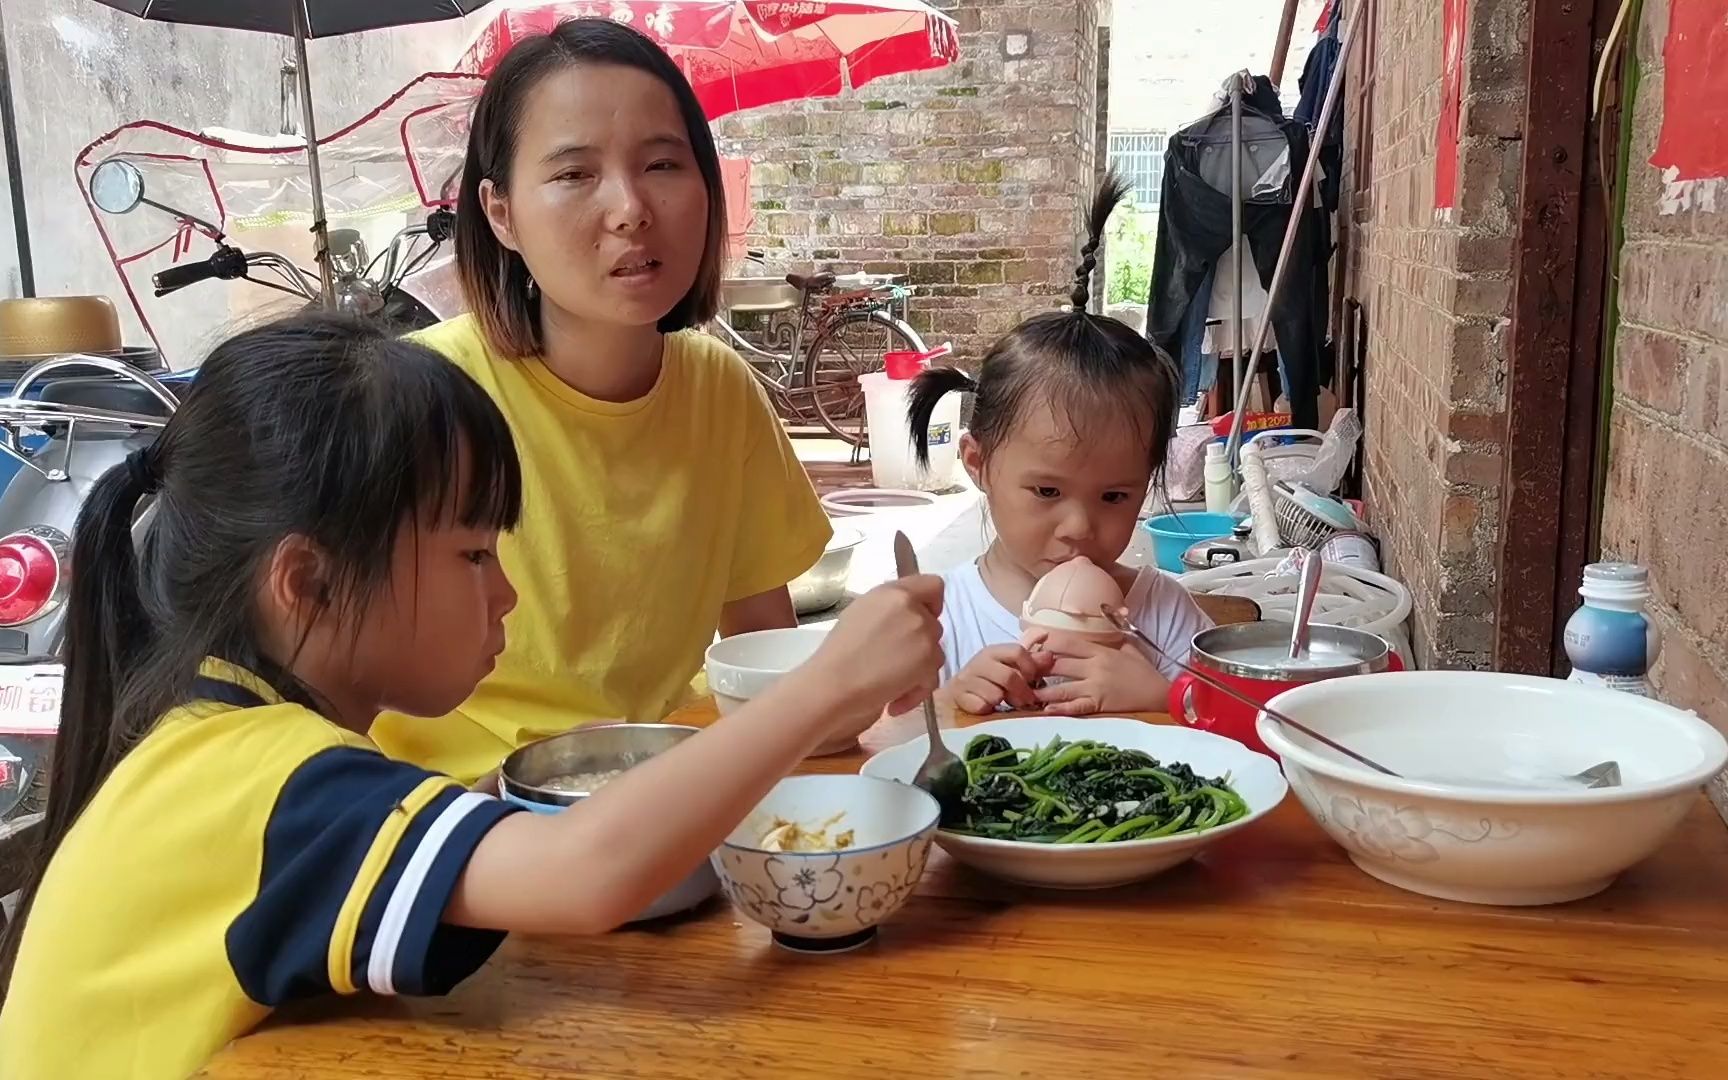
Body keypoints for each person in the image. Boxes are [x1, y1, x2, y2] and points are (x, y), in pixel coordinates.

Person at [0, 313, 943, 1079]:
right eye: (474, 553)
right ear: (309, 583)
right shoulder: (260, 778)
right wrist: (826, 686)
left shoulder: (219, 732)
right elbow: (584, 875)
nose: (505, 593)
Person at [371, 19, 832, 783]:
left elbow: (763, 656)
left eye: (661, 163)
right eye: (574, 174)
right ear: (500, 213)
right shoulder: (417, 399)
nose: (630, 209)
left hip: (649, 794)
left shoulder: (720, 391)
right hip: (449, 818)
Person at [907, 174, 1210, 717]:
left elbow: (1238, 733)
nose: (1079, 528)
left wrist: (1162, 697)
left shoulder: (1163, 615)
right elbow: (878, 749)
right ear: (978, 463)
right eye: (1047, 490)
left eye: (1115, 497)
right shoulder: (940, 617)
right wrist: (947, 705)